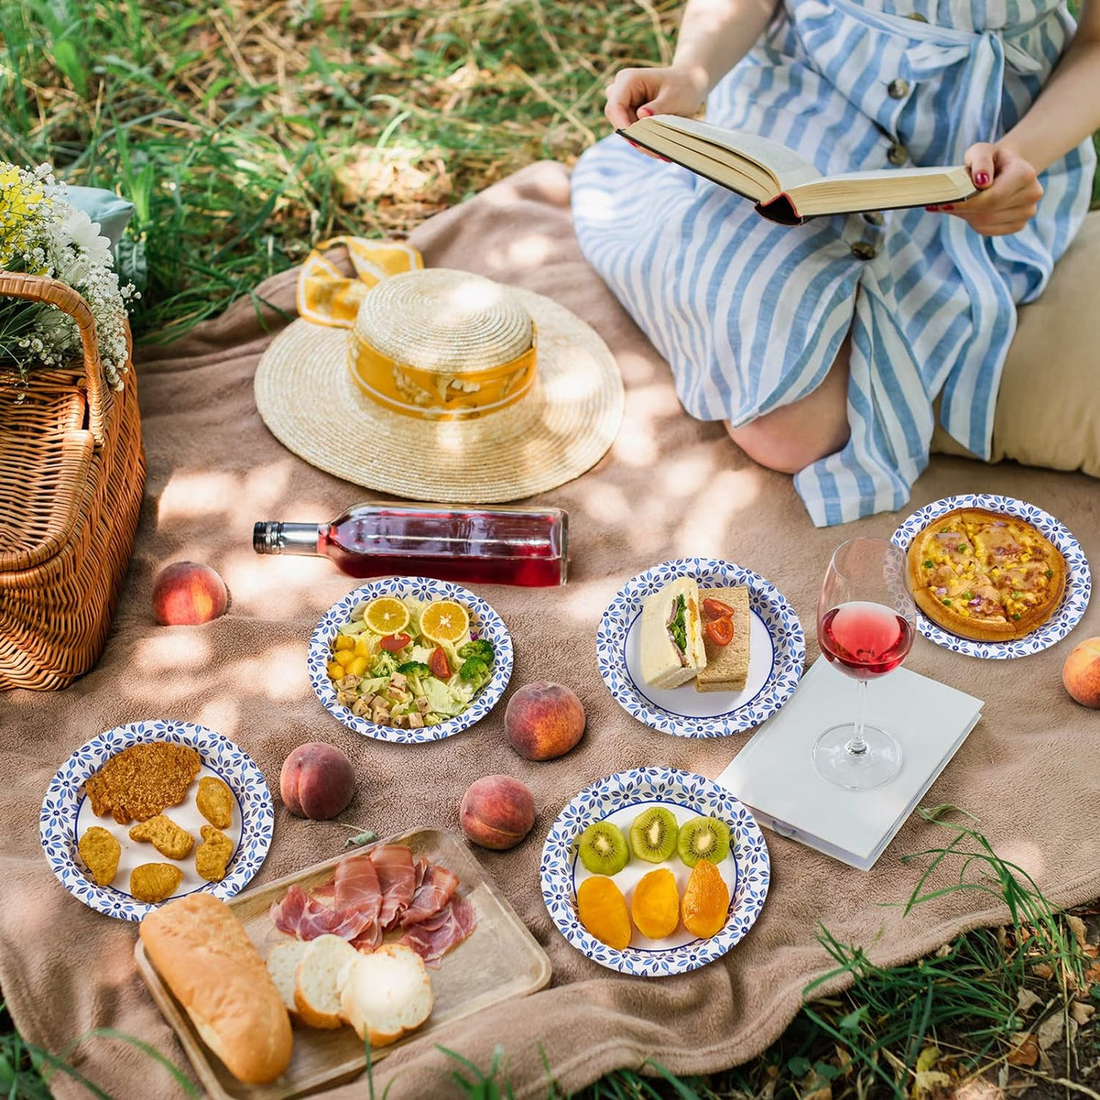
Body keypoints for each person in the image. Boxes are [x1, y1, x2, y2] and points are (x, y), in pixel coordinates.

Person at [570, 0, 1099, 526]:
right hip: (811, 87)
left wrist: (1023, 156)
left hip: (983, 145)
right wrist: (691, 70)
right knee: (778, 416)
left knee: (803, 430)